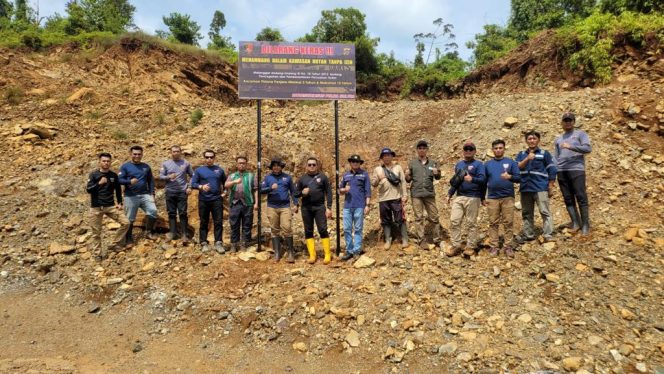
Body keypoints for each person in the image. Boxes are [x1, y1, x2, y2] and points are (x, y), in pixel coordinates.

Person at [86, 153, 130, 260]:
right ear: (99, 162)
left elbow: (118, 190)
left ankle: (114, 244)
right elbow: (88, 189)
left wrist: (119, 202)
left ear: (110, 162)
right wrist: (99, 183)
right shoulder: (93, 175)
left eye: (108, 161)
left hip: (110, 206)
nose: (106, 163)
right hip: (96, 207)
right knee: (96, 233)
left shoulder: (113, 176)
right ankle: (98, 254)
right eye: (104, 161)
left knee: (126, 222)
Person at [515, 131, 557, 242]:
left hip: (540, 187)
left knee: (544, 211)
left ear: (538, 140)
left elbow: (552, 169)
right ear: (526, 141)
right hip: (525, 188)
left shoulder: (545, 153)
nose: (532, 140)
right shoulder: (521, 154)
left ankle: (548, 234)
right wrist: (528, 158)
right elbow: (517, 167)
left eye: (534, 138)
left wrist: (550, 186)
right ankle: (529, 234)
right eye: (529, 139)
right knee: (527, 212)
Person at [446, 141, 486, 257]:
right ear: (463, 151)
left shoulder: (479, 165)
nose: (468, 151)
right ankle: (456, 245)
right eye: (466, 149)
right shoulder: (459, 164)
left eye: (470, 149)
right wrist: (449, 194)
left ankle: (470, 246)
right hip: (460, 196)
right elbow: (456, 182)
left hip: (473, 197)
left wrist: (472, 179)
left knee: (471, 223)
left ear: (474, 151)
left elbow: (483, 181)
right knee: (454, 220)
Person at [554, 112, 592, 235]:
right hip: (561, 170)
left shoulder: (580, 134)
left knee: (581, 196)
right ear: (562, 123)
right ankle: (575, 222)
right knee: (567, 198)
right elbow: (556, 156)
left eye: (570, 120)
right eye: (565, 120)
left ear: (574, 122)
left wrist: (571, 146)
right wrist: (554, 170)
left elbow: (588, 148)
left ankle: (585, 225)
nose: (568, 122)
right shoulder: (559, 139)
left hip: (576, 169)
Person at [483, 139, 520, 256]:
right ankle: (494, 246)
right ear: (492, 150)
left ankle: (508, 246)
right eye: (496, 148)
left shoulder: (511, 162)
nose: (498, 150)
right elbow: (483, 182)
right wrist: (482, 197)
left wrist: (510, 176)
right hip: (492, 197)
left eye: (500, 148)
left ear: (504, 149)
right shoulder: (487, 164)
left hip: (508, 197)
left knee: (508, 222)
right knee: (493, 222)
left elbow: (518, 178)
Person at [295, 157, 333, 264]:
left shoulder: (323, 177)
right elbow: (295, 194)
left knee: (322, 229)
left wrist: (329, 207)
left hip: (320, 207)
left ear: (317, 166)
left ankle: (327, 254)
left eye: (314, 165)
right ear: (306, 166)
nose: (312, 166)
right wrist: (302, 192)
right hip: (306, 208)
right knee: (308, 230)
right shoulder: (302, 179)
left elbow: (329, 193)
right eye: (310, 164)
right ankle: (312, 255)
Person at [260, 157, 298, 263]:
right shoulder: (268, 178)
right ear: (272, 167)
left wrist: (296, 204)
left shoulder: (287, 177)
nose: (276, 167)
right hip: (272, 207)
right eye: (274, 166)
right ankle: (277, 253)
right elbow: (261, 190)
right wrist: (270, 188)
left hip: (285, 206)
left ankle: (290, 252)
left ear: (281, 167)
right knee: (274, 230)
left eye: (278, 165)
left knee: (287, 227)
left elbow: (293, 191)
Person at [405, 139, 442, 249]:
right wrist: (406, 175)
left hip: (429, 193)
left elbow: (438, 177)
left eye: (424, 148)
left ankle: (437, 240)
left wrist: (437, 172)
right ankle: (421, 240)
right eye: (420, 148)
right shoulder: (412, 163)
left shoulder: (433, 163)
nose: (422, 150)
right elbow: (408, 179)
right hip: (416, 194)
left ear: (427, 150)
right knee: (418, 218)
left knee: (434, 217)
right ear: (417, 150)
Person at [119, 145, 157, 246]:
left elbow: (151, 181)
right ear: (130, 154)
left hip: (145, 195)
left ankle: (148, 232)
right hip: (130, 196)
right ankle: (128, 238)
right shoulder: (125, 166)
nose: (137, 156)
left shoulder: (146, 166)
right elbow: (119, 180)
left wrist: (152, 193)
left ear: (142, 155)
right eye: (135, 154)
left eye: (139, 154)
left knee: (153, 211)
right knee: (130, 218)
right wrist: (129, 181)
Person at [371, 148, 408, 250]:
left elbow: (403, 182)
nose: (387, 157)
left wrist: (404, 195)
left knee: (400, 218)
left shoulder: (398, 168)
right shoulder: (378, 169)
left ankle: (405, 239)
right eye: (384, 155)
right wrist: (378, 179)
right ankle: (388, 239)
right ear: (382, 158)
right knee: (385, 220)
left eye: (388, 155)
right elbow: (374, 184)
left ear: (392, 156)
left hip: (396, 197)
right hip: (383, 199)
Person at [191, 150, 227, 254]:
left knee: (218, 221)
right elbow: (193, 183)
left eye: (211, 157)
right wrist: (201, 186)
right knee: (203, 221)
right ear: (204, 158)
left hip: (216, 200)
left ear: (214, 158)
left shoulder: (219, 170)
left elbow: (226, 183)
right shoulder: (199, 170)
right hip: (203, 200)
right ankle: (203, 242)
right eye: (207, 157)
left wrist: (225, 192)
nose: (209, 159)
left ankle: (218, 242)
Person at [159, 145, 193, 244]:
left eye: (177, 151)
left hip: (182, 192)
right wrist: (168, 177)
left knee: (183, 213)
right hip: (170, 191)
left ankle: (184, 234)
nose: (176, 153)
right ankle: (173, 233)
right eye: (173, 151)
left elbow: (192, 175)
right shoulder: (165, 164)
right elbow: (161, 176)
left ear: (180, 152)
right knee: (171, 213)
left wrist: (189, 187)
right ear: (171, 152)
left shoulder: (186, 163)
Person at [339, 154, 371, 261]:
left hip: (359, 206)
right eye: (353, 161)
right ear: (350, 163)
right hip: (347, 206)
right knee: (347, 229)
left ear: (360, 163)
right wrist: (344, 190)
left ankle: (356, 251)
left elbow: (368, 191)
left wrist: (367, 205)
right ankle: (349, 250)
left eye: (357, 162)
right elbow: (340, 190)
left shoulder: (364, 175)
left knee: (358, 229)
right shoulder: (346, 175)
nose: (355, 163)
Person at [224, 155, 258, 252]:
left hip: (247, 203)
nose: (242, 165)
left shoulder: (251, 175)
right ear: (236, 164)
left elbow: (256, 190)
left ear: (246, 164)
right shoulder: (232, 176)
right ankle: (234, 244)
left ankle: (244, 243)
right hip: (235, 203)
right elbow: (226, 185)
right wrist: (234, 182)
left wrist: (256, 203)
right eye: (240, 163)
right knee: (234, 224)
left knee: (247, 224)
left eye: (243, 163)